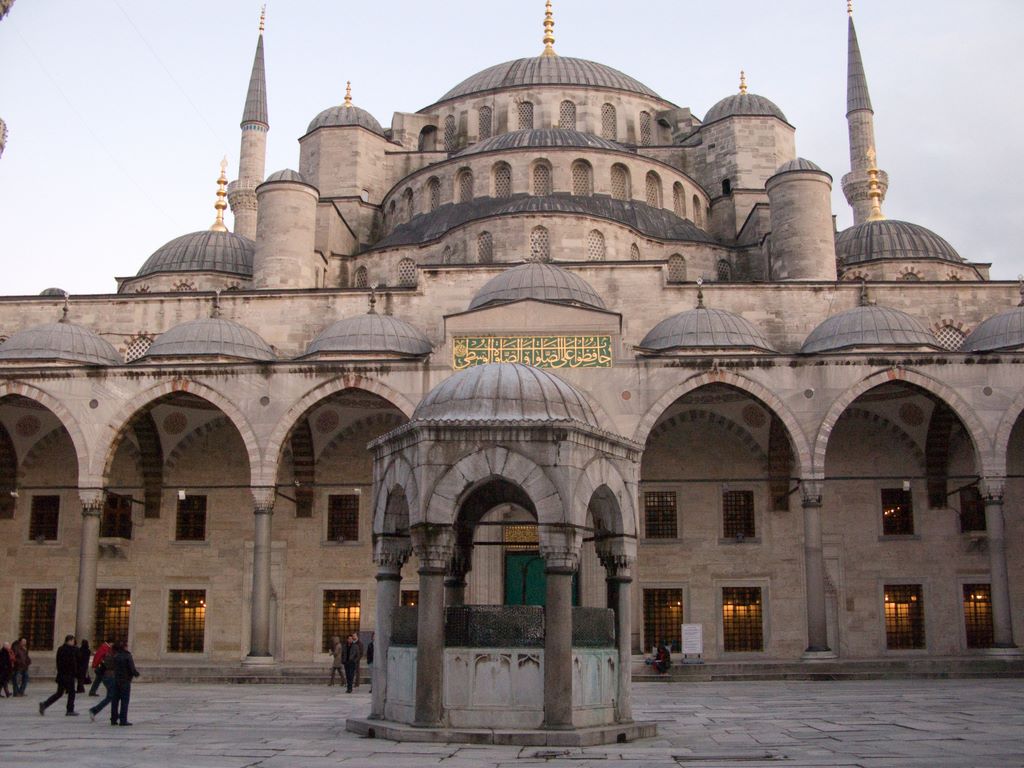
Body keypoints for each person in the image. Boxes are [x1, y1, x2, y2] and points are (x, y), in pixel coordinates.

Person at [39, 634, 78, 716]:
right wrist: (74, 673)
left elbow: (58, 662)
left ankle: (45, 704)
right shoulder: (70, 650)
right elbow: (72, 663)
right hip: (68, 675)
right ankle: (70, 710)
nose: (74, 643)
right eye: (73, 641)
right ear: (70, 640)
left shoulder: (60, 649)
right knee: (72, 692)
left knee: (59, 693)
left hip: (61, 675)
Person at [108, 640, 140, 726]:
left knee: (115, 701)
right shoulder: (127, 656)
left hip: (116, 680)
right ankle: (123, 720)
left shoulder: (116, 656)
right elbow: (132, 668)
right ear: (125, 647)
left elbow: (112, 666)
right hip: (125, 681)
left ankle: (113, 719)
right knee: (124, 701)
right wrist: (136, 674)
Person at [88, 642, 119, 724]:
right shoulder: (113, 656)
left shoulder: (109, 654)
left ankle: (115, 715)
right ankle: (95, 710)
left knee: (112, 696)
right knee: (111, 696)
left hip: (106, 677)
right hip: (110, 677)